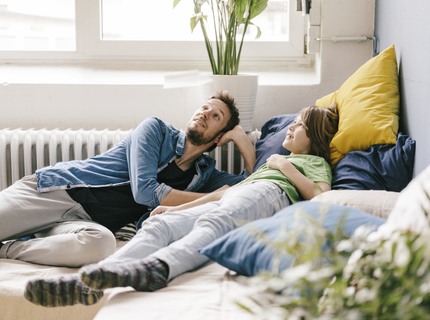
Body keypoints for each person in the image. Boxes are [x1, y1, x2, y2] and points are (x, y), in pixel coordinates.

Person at [24, 103, 340, 308]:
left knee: (214, 226)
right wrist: (175, 210)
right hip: (243, 194)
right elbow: (228, 192)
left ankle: (161, 268)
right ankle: (90, 281)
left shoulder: (312, 163)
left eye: (299, 126)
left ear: (314, 137)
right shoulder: (274, 162)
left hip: (269, 193)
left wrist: (284, 168)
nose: (291, 128)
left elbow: (321, 195)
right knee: (159, 224)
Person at [0, 90, 256, 267]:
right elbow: (144, 192)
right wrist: (209, 198)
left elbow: (249, 191)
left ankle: (8, 249)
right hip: (54, 193)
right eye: (204, 108)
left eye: (215, 116)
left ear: (218, 138)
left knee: (101, 245)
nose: (204, 114)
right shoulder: (155, 129)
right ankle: (29, 229)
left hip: (85, 223)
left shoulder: (205, 174)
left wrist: (243, 141)